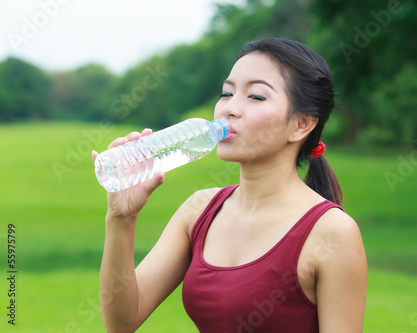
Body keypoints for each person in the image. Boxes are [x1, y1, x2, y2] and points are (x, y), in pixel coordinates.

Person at [93, 37, 367, 332]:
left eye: (256, 96)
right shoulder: (198, 211)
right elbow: (122, 322)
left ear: (301, 124)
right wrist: (121, 218)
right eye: (226, 93)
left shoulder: (333, 232)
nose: (229, 109)